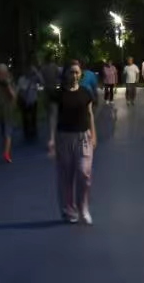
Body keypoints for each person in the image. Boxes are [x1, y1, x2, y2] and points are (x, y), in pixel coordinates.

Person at [48, 60, 97, 225]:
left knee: (84, 173)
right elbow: (53, 117)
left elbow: (90, 114)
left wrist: (94, 135)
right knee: (66, 177)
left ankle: (83, 208)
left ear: (80, 74)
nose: (74, 75)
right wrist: (51, 139)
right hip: (64, 138)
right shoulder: (58, 94)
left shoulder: (86, 92)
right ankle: (70, 210)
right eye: (71, 72)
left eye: (77, 72)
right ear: (66, 74)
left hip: (83, 137)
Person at [16, 58, 42, 144]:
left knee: (33, 117)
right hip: (24, 101)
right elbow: (19, 91)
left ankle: (33, 132)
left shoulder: (34, 79)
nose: (29, 72)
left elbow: (42, 81)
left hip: (33, 100)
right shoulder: (21, 79)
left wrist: (36, 72)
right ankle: (26, 133)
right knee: (25, 118)